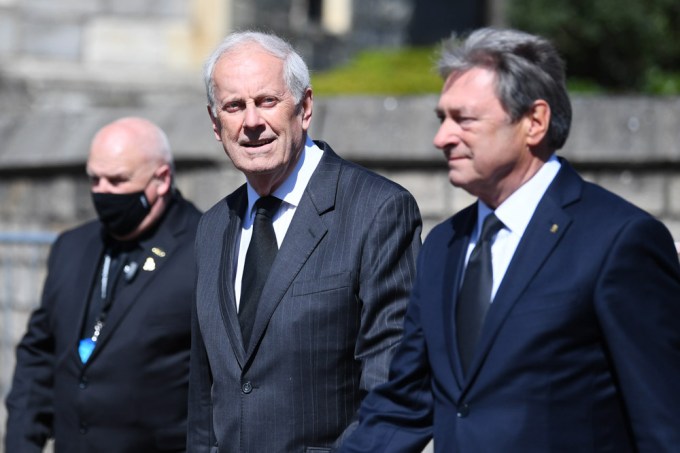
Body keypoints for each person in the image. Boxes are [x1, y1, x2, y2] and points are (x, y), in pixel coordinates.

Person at [340, 28, 680, 452]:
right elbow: (405, 403)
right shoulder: (444, 244)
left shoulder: (619, 240)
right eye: (441, 118)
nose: (441, 137)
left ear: (534, 122)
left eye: (463, 119)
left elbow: (664, 422)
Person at [188, 31, 422, 452]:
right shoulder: (212, 227)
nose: (252, 121)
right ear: (215, 122)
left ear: (306, 107)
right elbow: (205, 398)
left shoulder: (377, 211)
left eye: (267, 101)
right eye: (235, 106)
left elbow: (394, 387)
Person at [5, 117, 202, 452]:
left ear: (162, 179)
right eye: (95, 179)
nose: (103, 192)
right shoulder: (72, 247)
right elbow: (39, 356)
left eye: (117, 180)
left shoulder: (205, 247)